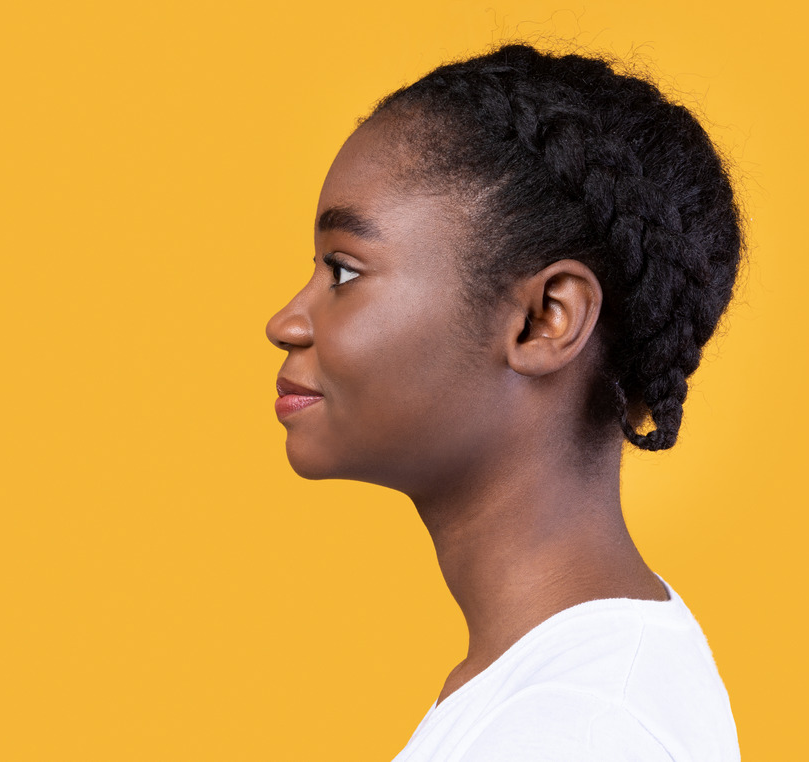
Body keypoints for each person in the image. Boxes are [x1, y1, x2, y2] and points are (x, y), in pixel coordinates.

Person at [265, 44, 742, 761]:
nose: (286, 323)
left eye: (343, 270)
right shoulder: (545, 688)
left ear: (544, 318)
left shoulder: (577, 732)